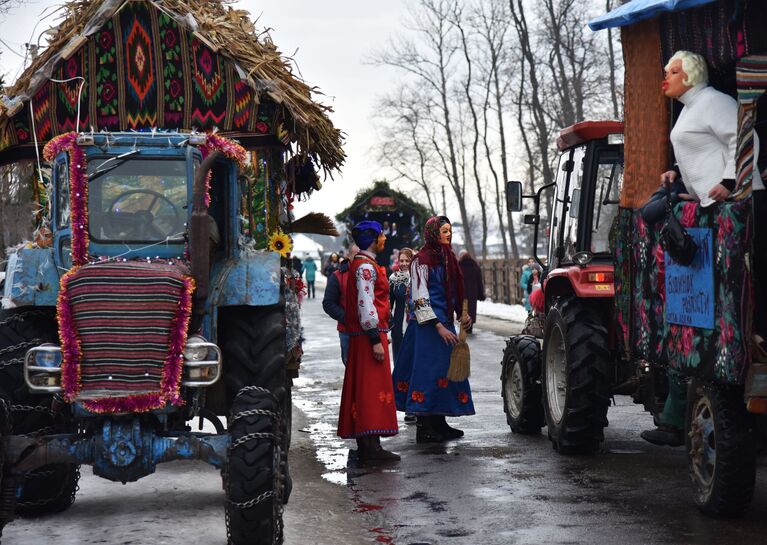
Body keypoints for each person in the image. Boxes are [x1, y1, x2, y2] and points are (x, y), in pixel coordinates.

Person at [640, 50, 766, 446]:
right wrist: (676, 172)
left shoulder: (714, 101)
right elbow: (702, 149)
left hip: (736, 209)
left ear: (691, 75)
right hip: (710, 213)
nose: (665, 77)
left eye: (672, 71)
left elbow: (745, 141)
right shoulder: (689, 110)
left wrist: (731, 180)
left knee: (739, 291)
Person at [392, 216, 474, 443]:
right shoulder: (421, 261)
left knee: (443, 374)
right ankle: (424, 427)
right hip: (427, 328)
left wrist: (462, 314)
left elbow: (456, 290)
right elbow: (419, 298)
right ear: (433, 233)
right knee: (427, 375)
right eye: (444, 230)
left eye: (450, 230)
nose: (449, 234)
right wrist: (438, 326)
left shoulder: (449, 259)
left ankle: (439, 422)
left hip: (445, 324)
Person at [337, 221, 399, 463]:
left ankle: (370, 444)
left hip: (367, 335)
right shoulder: (365, 267)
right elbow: (366, 303)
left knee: (367, 389)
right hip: (367, 337)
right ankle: (370, 447)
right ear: (373, 239)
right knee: (371, 389)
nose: (384, 239)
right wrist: (374, 337)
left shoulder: (365, 264)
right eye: (381, 235)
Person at [321, 245, 357, 366]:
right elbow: (328, 303)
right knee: (349, 364)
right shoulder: (338, 276)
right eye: (356, 256)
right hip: (347, 329)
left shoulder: (372, 273)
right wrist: (346, 318)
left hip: (369, 332)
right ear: (349, 256)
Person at [389, 248, 414, 359]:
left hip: (415, 321)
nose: (404, 264)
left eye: (407, 261)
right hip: (398, 324)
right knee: (398, 356)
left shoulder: (418, 277)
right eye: (401, 261)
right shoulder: (393, 278)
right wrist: (390, 323)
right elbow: (388, 304)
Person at [458, 250, 485, 334]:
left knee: (463, 309)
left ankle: (463, 326)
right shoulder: (475, 266)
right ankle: (470, 327)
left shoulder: (458, 266)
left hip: (461, 292)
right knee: (471, 310)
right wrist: (481, 294)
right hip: (473, 293)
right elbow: (479, 282)